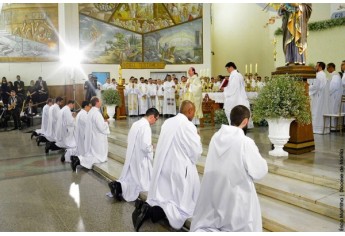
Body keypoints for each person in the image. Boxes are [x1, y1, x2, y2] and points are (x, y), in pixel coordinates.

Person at [190, 105, 268, 232]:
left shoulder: (216, 137)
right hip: (236, 199)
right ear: (245, 121)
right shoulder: (245, 142)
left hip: (215, 193)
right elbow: (259, 171)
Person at [132, 100, 202, 231]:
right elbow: (196, 152)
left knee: (166, 198)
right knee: (182, 208)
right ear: (190, 111)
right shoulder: (188, 126)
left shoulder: (168, 122)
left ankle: (147, 208)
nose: (194, 115)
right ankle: (150, 212)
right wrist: (197, 137)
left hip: (164, 167)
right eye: (194, 112)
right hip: (179, 169)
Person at [108, 108, 159, 201]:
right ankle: (119, 186)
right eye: (156, 119)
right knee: (141, 183)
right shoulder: (146, 127)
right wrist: (153, 147)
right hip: (141, 158)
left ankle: (118, 185)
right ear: (151, 117)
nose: (155, 122)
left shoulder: (136, 124)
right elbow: (146, 147)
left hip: (132, 154)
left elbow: (130, 139)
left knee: (132, 177)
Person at [71, 96, 110, 171]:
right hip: (97, 138)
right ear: (97, 102)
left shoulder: (91, 112)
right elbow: (101, 127)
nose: (101, 103)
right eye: (100, 101)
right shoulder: (96, 113)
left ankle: (79, 159)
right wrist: (106, 123)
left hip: (92, 137)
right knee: (99, 157)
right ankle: (79, 160)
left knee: (93, 154)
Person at [223, 62, 252, 128]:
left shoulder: (235, 75)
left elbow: (233, 88)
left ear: (231, 67)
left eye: (227, 68)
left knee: (232, 111)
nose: (227, 70)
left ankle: (235, 125)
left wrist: (224, 89)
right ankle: (241, 125)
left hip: (235, 97)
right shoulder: (238, 74)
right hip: (239, 95)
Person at [309, 62, 330, 134]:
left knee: (317, 111)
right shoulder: (324, 75)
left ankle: (316, 129)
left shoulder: (318, 75)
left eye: (316, 65)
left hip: (318, 96)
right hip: (322, 96)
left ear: (320, 67)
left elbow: (315, 86)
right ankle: (323, 129)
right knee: (320, 111)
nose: (315, 67)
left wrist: (307, 87)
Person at [327, 62, 343, 130]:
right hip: (334, 96)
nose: (327, 70)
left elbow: (333, 87)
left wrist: (327, 93)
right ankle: (333, 127)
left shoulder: (335, 76)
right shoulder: (334, 76)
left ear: (331, 68)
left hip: (334, 97)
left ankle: (334, 128)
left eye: (328, 68)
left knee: (334, 111)